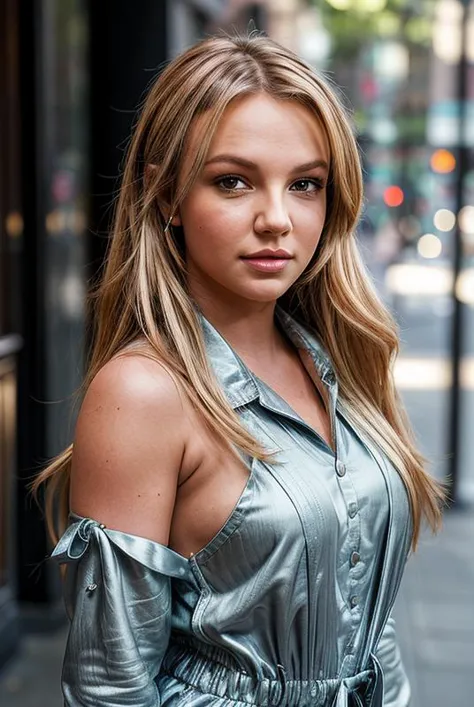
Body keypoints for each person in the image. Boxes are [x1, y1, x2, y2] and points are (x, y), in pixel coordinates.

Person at [33, 33, 444, 707]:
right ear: (167, 195)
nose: (277, 219)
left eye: (305, 184)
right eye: (233, 181)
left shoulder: (336, 357)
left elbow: (368, 623)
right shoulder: (144, 393)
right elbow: (109, 687)